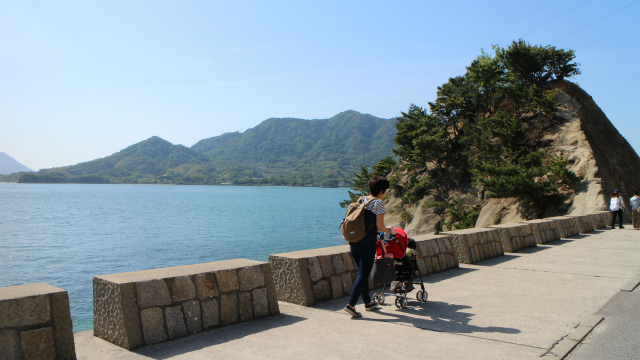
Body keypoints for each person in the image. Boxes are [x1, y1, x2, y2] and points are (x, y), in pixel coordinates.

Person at [344, 176, 396, 318]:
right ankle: (351, 305)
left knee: (363, 273)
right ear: (382, 191)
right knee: (363, 274)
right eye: (386, 191)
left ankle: (368, 302)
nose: (386, 193)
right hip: (367, 244)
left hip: (355, 242)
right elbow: (379, 226)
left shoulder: (362, 199)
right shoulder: (378, 203)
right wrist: (389, 230)